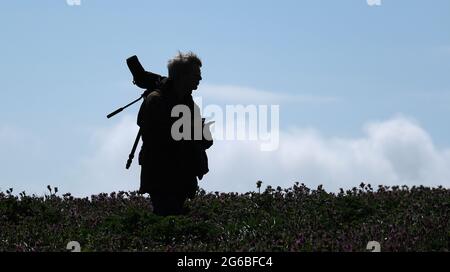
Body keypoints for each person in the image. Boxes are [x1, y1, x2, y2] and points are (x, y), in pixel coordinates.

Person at [137, 51, 213, 216]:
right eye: (196, 74)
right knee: (167, 221)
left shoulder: (189, 104)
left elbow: (206, 140)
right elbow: (156, 140)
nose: (199, 79)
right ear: (183, 76)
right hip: (161, 178)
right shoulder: (156, 100)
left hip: (182, 179)